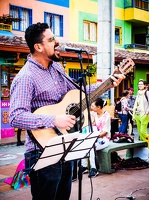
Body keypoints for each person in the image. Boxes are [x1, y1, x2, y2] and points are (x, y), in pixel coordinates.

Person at [9, 22, 124, 200]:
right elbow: (16, 117)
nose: (57, 42)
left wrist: (108, 83)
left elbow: (78, 95)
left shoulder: (57, 69)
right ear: (38, 46)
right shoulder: (26, 77)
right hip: (41, 151)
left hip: (66, 145)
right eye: (52, 39)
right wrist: (54, 120)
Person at [81, 98, 111, 178]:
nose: (91, 107)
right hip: (95, 137)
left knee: (91, 147)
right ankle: (84, 166)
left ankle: (94, 169)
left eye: (93, 106)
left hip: (104, 139)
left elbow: (105, 132)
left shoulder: (106, 116)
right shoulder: (94, 114)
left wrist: (94, 137)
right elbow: (86, 113)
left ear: (98, 107)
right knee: (83, 144)